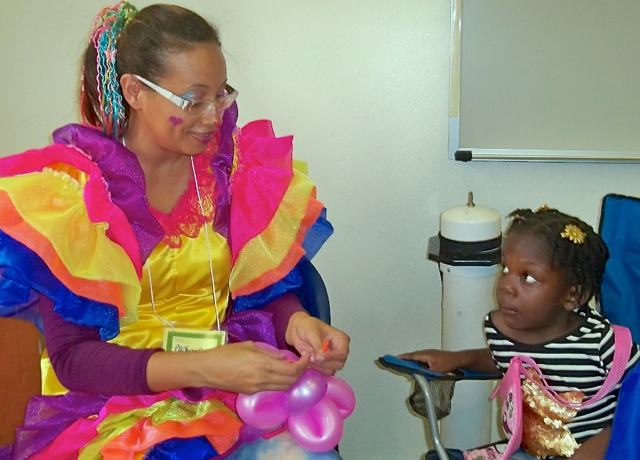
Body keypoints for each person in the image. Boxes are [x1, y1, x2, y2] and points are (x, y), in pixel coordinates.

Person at [0, 2, 349, 459]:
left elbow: (254, 287)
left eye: (222, 95)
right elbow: (74, 360)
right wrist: (204, 368)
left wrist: (297, 324)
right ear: (133, 92)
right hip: (117, 413)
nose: (213, 117)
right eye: (194, 99)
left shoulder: (234, 172)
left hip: (229, 398)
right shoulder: (73, 196)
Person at [399, 206, 640, 460]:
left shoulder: (603, 344)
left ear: (572, 295)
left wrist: (601, 444)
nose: (506, 287)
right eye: (505, 269)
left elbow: (635, 400)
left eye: (528, 277)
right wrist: (458, 359)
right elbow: (503, 358)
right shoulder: (502, 329)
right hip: (529, 451)